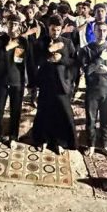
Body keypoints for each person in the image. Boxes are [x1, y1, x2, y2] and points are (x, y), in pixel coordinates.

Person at [30, 16, 77, 154]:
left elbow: (74, 62)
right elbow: (35, 61)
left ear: (61, 29)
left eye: (58, 30)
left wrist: (61, 59)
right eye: (52, 29)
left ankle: (59, 142)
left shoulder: (67, 42)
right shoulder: (41, 42)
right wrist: (48, 54)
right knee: (44, 112)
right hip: (46, 83)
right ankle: (42, 140)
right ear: (48, 28)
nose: (55, 32)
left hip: (62, 83)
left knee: (62, 113)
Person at [78, 21, 107, 157]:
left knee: (106, 121)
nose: (101, 33)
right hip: (92, 90)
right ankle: (91, 145)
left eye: (104, 30)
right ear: (94, 31)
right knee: (91, 120)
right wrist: (99, 59)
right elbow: (87, 70)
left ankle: (104, 145)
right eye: (98, 30)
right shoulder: (86, 50)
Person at [0, 19, 29, 147]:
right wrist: (6, 48)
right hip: (1, 79)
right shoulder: (0, 40)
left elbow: (29, 62)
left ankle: (13, 137)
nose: (13, 26)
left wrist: (30, 82)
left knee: (15, 111)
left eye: (15, 24)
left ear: (19, 26)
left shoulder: (23, 42)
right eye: (11, 23)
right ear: (7, 25)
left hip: (17, 81)